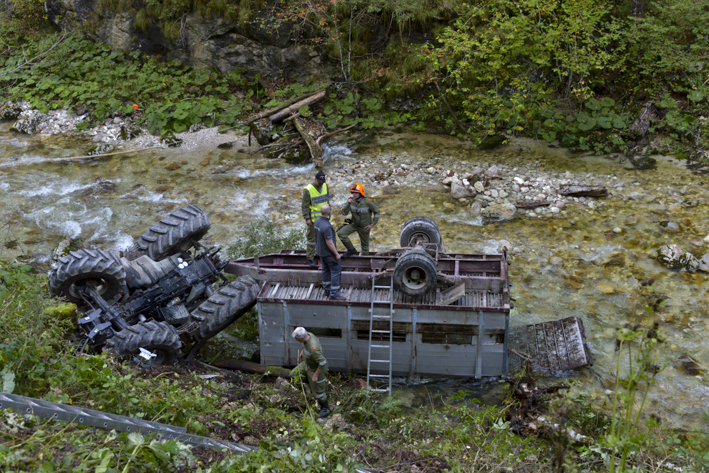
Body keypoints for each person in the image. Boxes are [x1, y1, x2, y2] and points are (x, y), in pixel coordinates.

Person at [291, 327, 331, 418]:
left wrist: (315, 375)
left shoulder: (314, 348)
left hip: (316, 369)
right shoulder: (309, 335)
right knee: (294, 374)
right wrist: (302, 352)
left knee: (319, 393)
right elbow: (306, 345)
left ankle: (326, 409)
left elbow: (323, 363)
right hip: (307, 364)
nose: (295, 340)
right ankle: (311, 386)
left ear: (301, 338)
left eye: (296, 338)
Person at [338, 183, 380, 257]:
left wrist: (372, 224)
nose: (354, 194)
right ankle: (351, 250)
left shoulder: (367, 202)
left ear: (361, 193)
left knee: (365, 247)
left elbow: (377, 211)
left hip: (364, 227)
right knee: (341, 234)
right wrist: (348, 204)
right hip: (354, 224)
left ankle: (364, 260)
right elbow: (344, 213)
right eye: (353, 192)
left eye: (356, 193)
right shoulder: (350, 201)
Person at [314, 204, 345, 301]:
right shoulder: (327, 227)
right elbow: (329, 243)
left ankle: (327, 290)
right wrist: (336, 254)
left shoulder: (317, 222)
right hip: (329, 254)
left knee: (325, 270)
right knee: (336, 271)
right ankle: (334, 294)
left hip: (320, 252)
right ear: (329, 213)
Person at [302, 170, 330, 267]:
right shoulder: (308, 190)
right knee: (311, 239)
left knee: (324, 238)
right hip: (313, 219)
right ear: (315, 180)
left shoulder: (325, 186)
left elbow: (327, 200)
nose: (321, 184)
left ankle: (322, 255)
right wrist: (307, 218)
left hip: (324, 218)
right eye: (319, 182)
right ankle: (310, 258)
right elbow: (305, 206)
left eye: (322, 182)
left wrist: (329, 212)